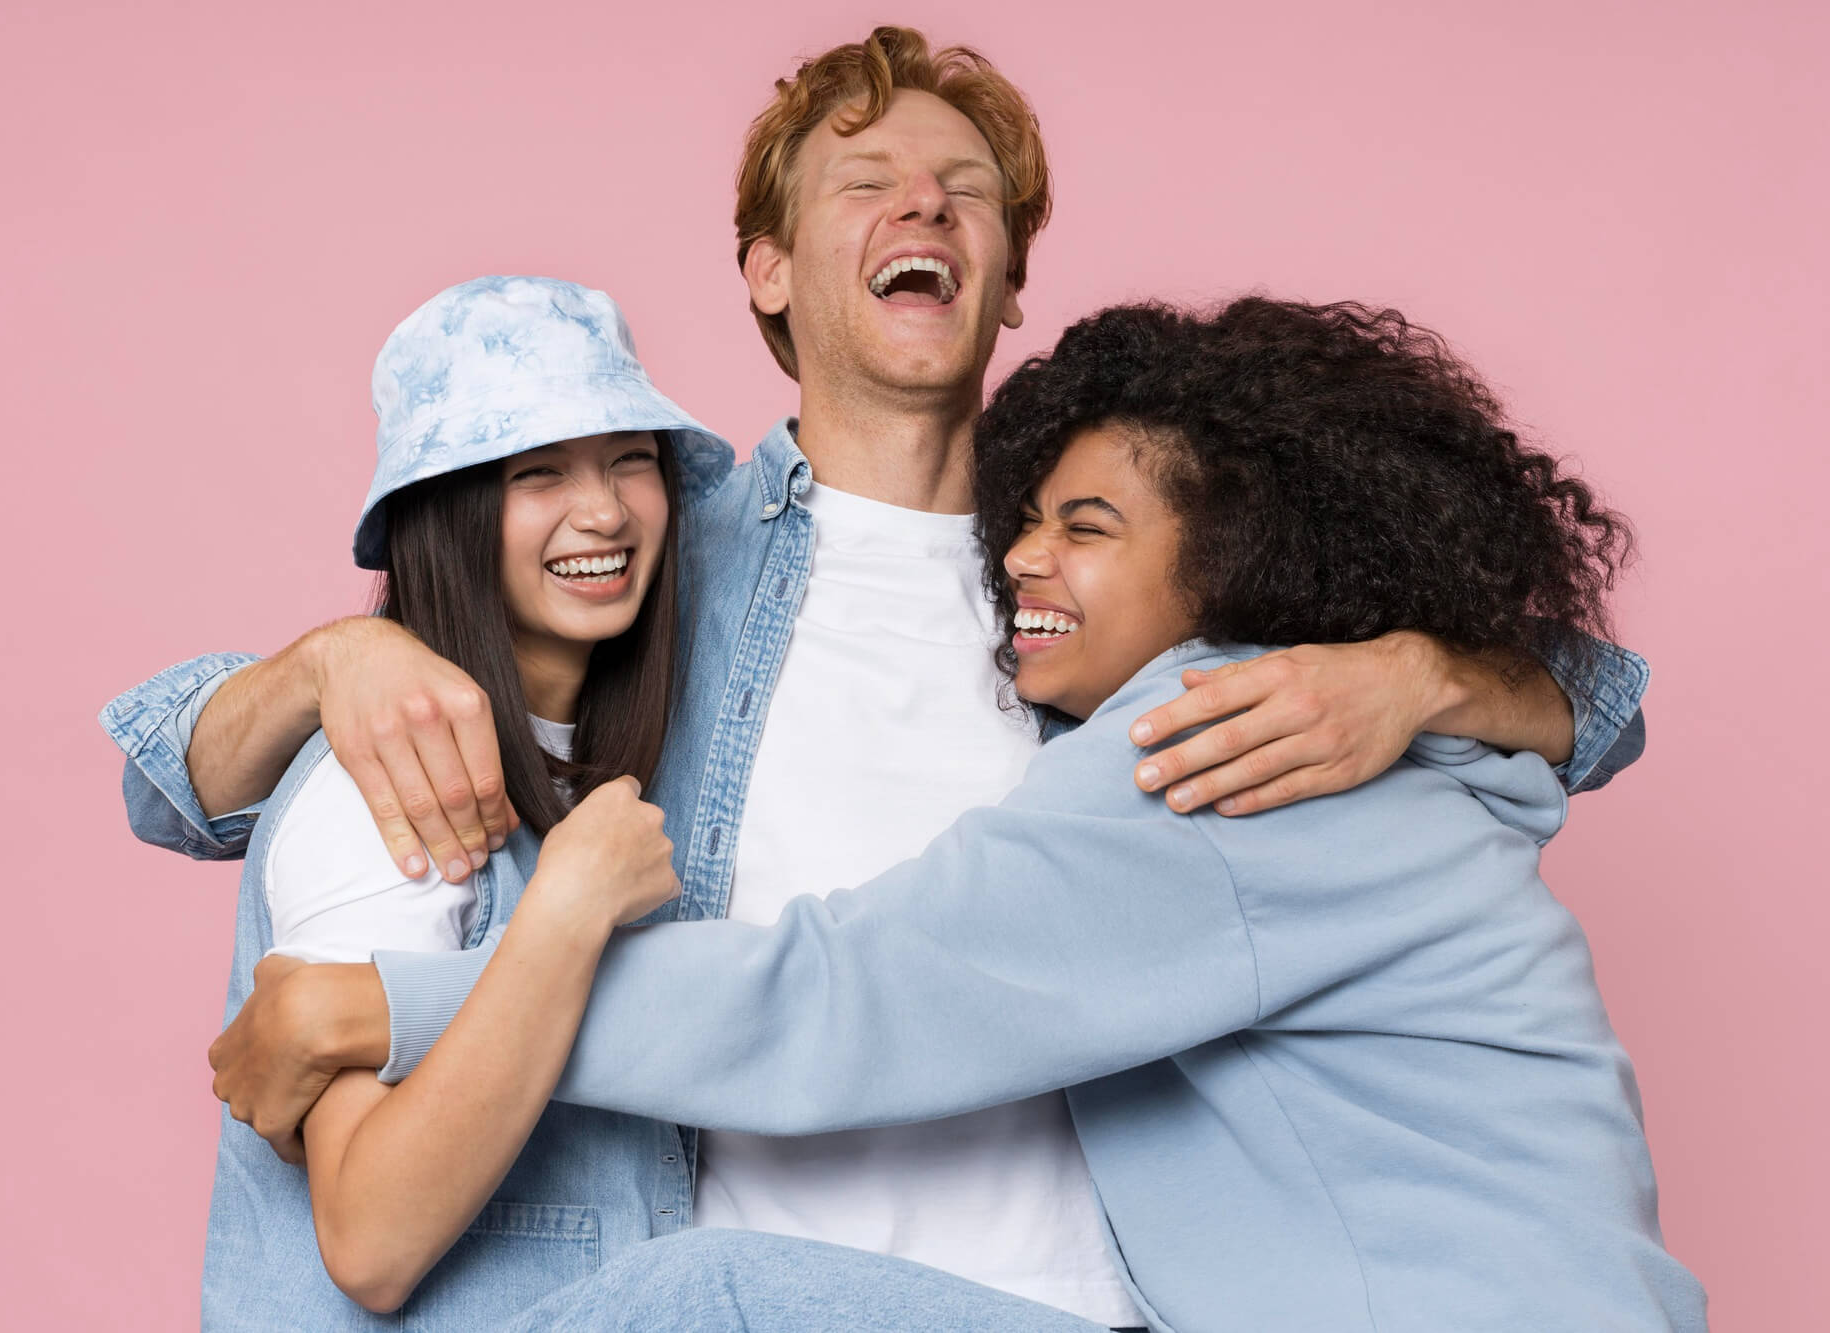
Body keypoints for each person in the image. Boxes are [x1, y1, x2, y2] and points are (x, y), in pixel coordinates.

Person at [103, 26, 1652, 1329]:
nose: (926, 201)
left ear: (1008, 277)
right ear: (771, 274)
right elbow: (173, 781)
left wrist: (1414, 675)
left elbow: (1597, 700)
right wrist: (335, 654)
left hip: (1097, 1294)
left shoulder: (1115, 587)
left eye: (965, 189)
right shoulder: (654, 556)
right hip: (786, 1286)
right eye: (869, 182)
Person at [335, 298, 1709, 1331]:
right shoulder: (1375, 731)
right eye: (1029, 520)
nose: (1026, 559)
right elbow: (1590, 706)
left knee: (709, 1300)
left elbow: (836, 1000)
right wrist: (340, 655)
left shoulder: (1215, 751)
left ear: (1239, 556)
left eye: (1090, 527)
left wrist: (382, 1011)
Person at [190, 275, 731, 1323]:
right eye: (540, 473)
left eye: (631, 459)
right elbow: (371, 1239)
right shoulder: (392, 780)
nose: (605, 510)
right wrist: (568, 907)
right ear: (448, 515)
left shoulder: (591, 753)